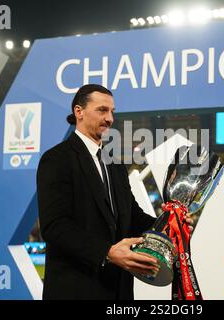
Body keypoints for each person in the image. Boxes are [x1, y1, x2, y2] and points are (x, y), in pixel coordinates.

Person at [37, 84, 193, 300]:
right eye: (102, 110)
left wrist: (170, 226)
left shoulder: (115, 165)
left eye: (112, 111)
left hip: (118, 291)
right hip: (76, 289)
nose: (109, 118)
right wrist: (107, 252)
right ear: (78, 111)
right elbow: (54, 226)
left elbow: (133, 217)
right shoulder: (57, 159)